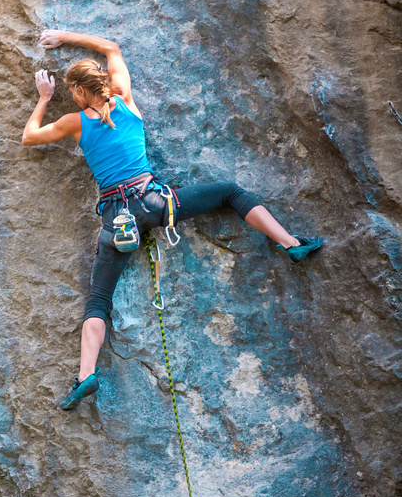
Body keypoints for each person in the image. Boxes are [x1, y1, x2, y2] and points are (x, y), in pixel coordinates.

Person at [22, 28, 322, 411]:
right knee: (230, 192)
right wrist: (64, 37)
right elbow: (112, 46)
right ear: (104, 84)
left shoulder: (74, 122)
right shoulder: (127, 102)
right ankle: (292, 245)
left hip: (118, 221)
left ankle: (86, 376)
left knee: (99, 300)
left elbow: (29, 137)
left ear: (79, 93)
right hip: (156, 203)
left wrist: (44, 98)